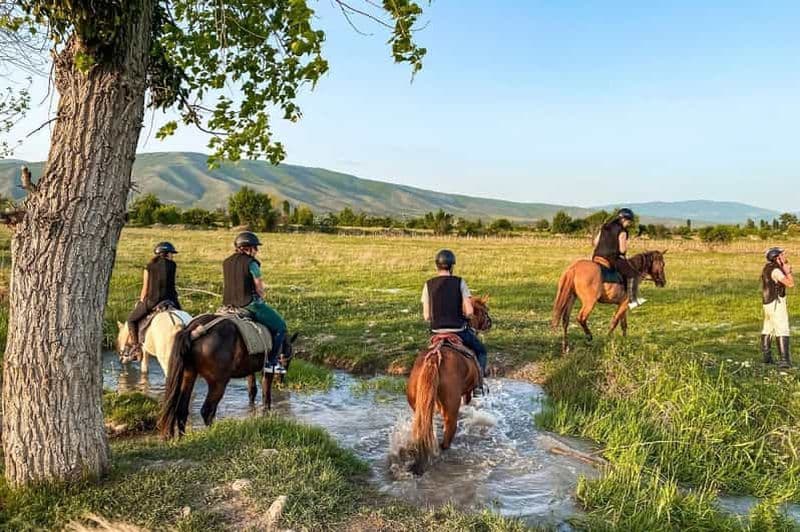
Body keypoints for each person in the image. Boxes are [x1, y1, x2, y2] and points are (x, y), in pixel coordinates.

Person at [421, 249, 488, 395]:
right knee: (481, 351)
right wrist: (466, 316)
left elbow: (426, 316)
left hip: (436, 332)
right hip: (458, 331)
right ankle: (478, 385)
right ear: (452, 267)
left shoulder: (428, 284)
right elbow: (470, 311)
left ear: (436, 266)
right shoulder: (460, 282)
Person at [222, 231, 288, 374]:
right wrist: (262, 297)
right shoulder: (252, 263)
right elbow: (258, 285)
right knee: (281, 327)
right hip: (249, 304)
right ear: (247, 248)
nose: (257, 251)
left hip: (228, 305)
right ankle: (271, 363)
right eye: (255, 247)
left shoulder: (226, 262)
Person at [126, 242, 181, 359]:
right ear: (166, 254)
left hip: (153, 301)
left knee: (131, 320)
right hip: (172, 300)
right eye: (172, 253)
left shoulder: (149, 267)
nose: (173, 256)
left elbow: (145, 288)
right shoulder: (173, 265)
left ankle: (136, 348)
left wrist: (141, 301)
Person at [592, 208, 645, 309]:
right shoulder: (622, 231)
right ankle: (632, 300)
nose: (629, 224)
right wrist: (623, 252)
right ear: (624, 220)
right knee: (632, 273)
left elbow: (595, 242)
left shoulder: (605, 226)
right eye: (629, 221)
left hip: (597, 257)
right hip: (611, 258)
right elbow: (622, 249)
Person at [761, 247, 794, 368]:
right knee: (782, 328)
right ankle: (784, 361)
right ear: (777, 258)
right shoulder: (776, 271)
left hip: (767, 303)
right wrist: (788, 271)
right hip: (776, 302)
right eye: (782, 255)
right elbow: (790, 283)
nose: (785, 256)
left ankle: (767, 357)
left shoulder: (767, 267)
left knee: (768, 328)